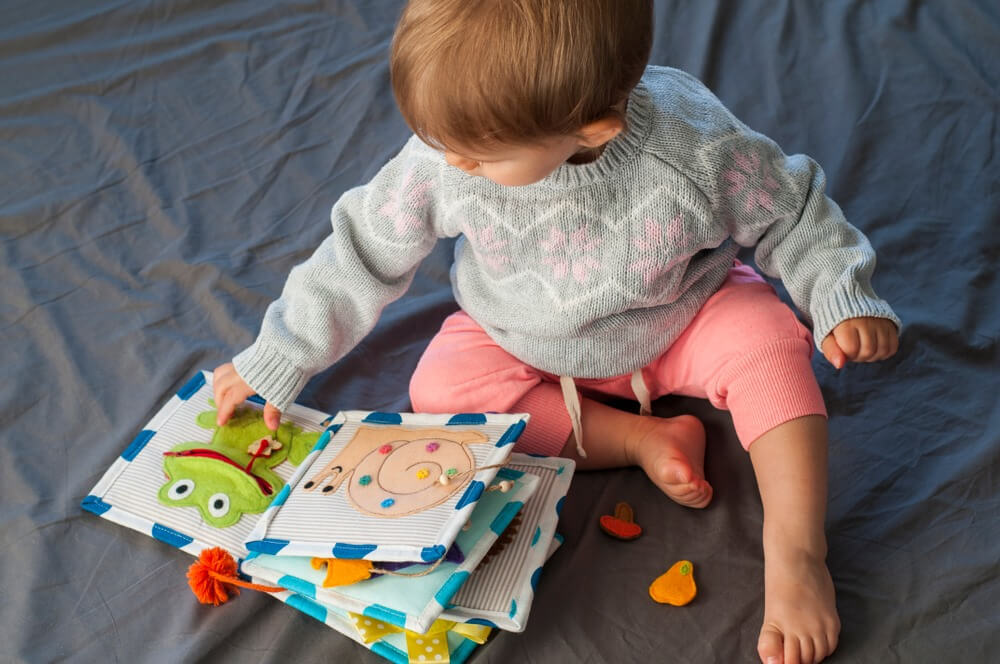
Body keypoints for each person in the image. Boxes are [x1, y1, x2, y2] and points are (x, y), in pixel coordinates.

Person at [212, 1, 900, 662]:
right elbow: (361, 248)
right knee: (439, 388)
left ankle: (797, 551)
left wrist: (840, 294)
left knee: (770, 341)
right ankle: (637, 438)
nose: (455, 164)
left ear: (592, 129)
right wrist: (281, 353)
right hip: (519, 337)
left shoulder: (697, 149)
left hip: (682, 319)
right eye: (440, 143)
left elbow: (794, 212)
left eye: (480, 156)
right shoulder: (446, 155)